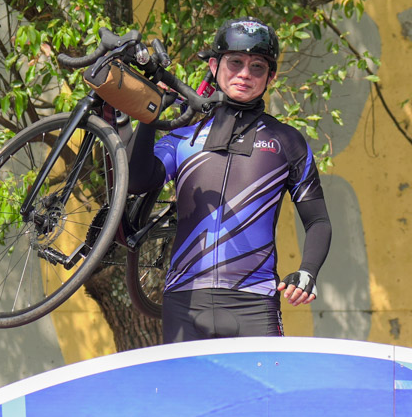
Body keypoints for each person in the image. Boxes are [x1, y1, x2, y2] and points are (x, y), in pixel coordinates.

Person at [124, 19, 330, 342]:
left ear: (271, 77)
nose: (245, 74)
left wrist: (308, 271)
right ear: (214, 66)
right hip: (184, 302)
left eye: (257, 66)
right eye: (235, 62)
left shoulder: (287, 142)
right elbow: (137, 181)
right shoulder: (184, 136)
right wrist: (149, 117)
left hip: (254, 303)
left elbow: (318, 221)